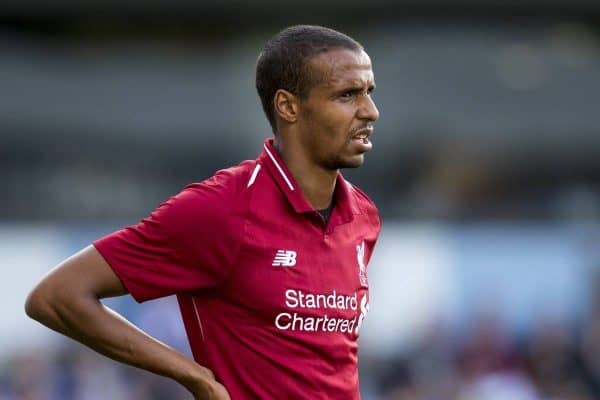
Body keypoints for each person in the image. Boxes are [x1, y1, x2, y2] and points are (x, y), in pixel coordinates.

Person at [25, 24, 381, 399]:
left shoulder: (363, 216)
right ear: (288, 106)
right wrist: (193, 376)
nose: (370, 111)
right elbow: (56, 296)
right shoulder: (222, 209)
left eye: (369, 93)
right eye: (347, 95)